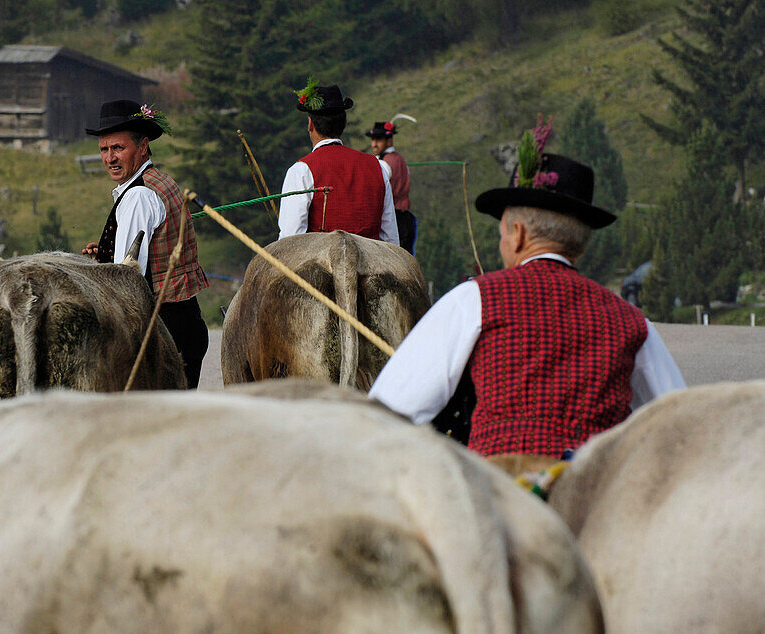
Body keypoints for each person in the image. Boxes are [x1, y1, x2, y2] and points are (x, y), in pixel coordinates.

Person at [368, 151, 685, 475]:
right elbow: (681, 424)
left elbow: (390, 412)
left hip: (502, 503)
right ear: (581, 243)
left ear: (517, 234)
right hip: (597, 504)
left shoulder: (473, 300)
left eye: (502, 232)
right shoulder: (632, 322)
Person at [80, 99, 209, 388]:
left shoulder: (138, 196)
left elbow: (125, 280)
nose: (110, 158)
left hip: (162, 331)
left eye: (118, 148)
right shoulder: (160, 180)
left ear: (142, 146)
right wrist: (106, 254)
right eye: (104, 149)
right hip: (186, 322)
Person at [277, 81, 400, 245]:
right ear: (345, 123)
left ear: (310, 124)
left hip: (320, 268)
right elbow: (391, 239)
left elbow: (290, 240)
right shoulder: (378, 167)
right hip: (372, 268)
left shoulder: (300, 171)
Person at [365, 120, 416, 254]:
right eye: (373, 139)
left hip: (394, 220)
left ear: (389, 140)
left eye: (379, 139)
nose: (374, 143)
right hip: (406, 219)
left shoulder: (385, 164)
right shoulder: (400, 159)